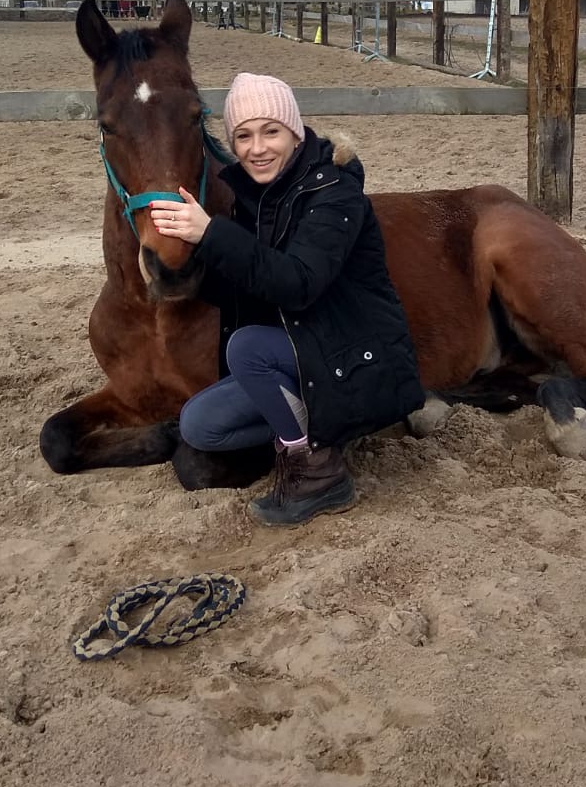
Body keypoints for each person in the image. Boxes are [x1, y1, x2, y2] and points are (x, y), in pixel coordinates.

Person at [149, 72, 425, 526]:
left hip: (352, 357)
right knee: (199, 425)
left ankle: (320, 472)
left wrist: (213, 234)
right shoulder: (259, 198)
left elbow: (298, 284)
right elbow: (250, 283)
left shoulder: (334, 193)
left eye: (270, 131)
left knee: (248, 348)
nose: (257, 148)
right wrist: (190, 265)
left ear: (295, 133)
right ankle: (314, 428)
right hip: (305, 358)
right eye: (243, 136)